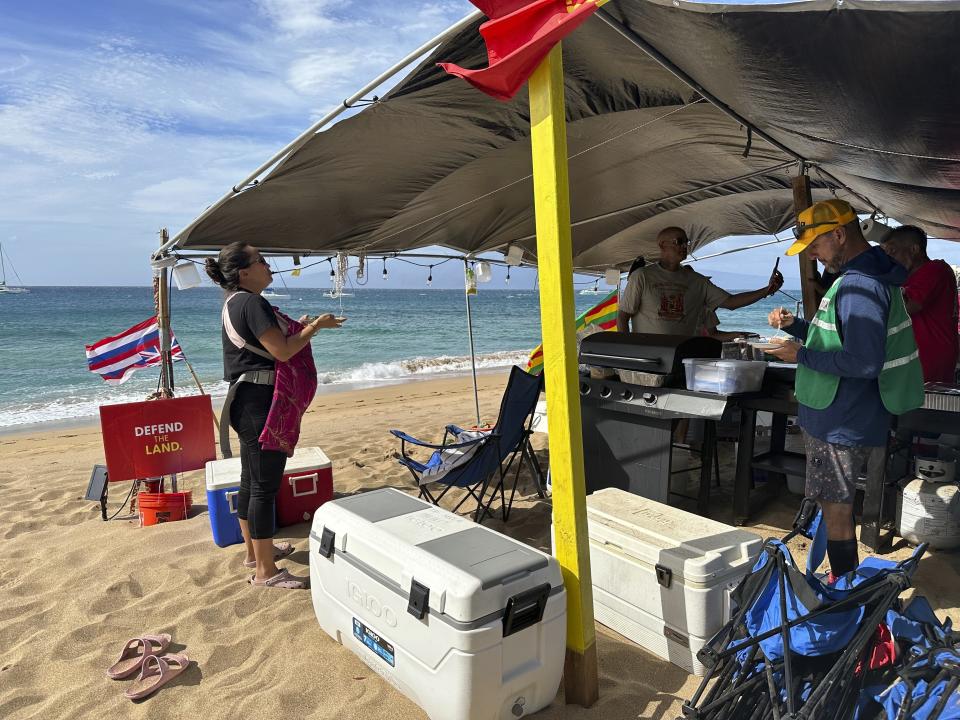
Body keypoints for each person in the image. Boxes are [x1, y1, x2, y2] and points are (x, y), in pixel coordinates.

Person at [765, 199, 924, 579]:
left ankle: (844, 586)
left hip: (839, 418)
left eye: (816, 246)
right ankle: (845, 581)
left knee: (836, 506)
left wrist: (799, 355)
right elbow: (837, 339)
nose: (815, 257)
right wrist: (797, 328)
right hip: (846, 412)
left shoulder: (858, 285)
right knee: (836, 501)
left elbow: (863, 362)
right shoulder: (867, 277)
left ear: (838, 234)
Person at [205, 242, 344, 590]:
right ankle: (266, 573)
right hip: (259, 402)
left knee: (251, 480)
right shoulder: (252, 302)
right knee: (265, 486)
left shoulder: (232, 303)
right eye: (262, 261)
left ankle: (255, 554)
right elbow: (281, 352)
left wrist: (302, 328)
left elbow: (270, 344)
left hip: (244, 400)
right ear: (244, 272)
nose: (270, 267)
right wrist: (315, 328)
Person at [616, 226, 783, 335]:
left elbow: (731, 302)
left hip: (683, 356)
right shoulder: (642, 276)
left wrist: (766, 290)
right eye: (678, 242)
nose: (684, 246)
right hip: (649, 358)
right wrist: (628, 350)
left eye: (686, 242)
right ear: (662, 245)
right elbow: (623, 317)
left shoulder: (697, 281)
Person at [880, 225, 959, 383]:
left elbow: (909, 306)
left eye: (893, 251)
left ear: (914, 249)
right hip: (915, 361)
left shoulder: (935, 269)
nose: (889, 258)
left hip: (929, 361)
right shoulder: (908, 278)